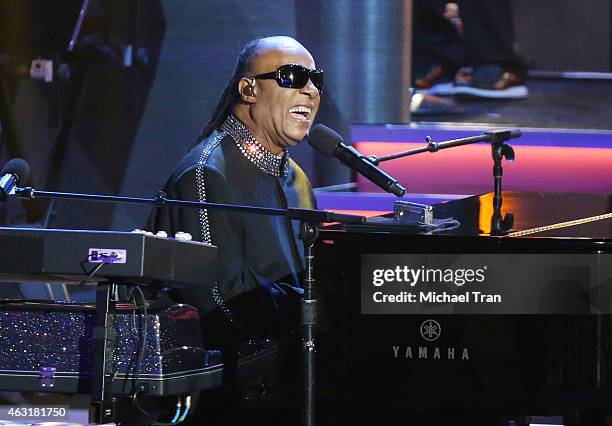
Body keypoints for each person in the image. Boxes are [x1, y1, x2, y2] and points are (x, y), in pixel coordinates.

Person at [149, 35, 321, 352]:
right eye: (293, 77)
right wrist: (315, 311)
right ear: (248, 90)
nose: (310, 90)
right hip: (235, 381)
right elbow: (219, 303)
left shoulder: (296, 178)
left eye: (316, 80)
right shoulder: (205, 174)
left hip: (293, 363)